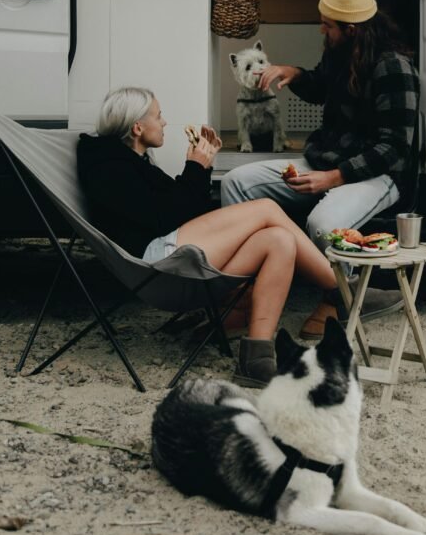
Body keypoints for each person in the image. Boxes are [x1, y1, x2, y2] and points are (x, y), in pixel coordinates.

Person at [76, 86, 344, 388]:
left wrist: (202, 168)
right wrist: (195, 168)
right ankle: (341, 290)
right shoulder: (109, 168)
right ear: (138, 127)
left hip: (175, 253)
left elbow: (183, 209)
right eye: (159, 116)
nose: (164, 122)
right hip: (159, 263)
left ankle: (255, 359)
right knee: (267, 208)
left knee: (279, 239)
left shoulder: (132, 162)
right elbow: (165, 218)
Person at [221, 0, 419, 335]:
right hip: (325, 160)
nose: (321, 30)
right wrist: (293, 73)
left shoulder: (394, 68)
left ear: (352, 29)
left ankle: (338, 299)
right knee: (236, 182)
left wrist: (335, 177)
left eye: (328, 25)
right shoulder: (340, 51)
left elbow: (394, 149)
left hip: (377, 175)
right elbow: (320, 88)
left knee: (322, 224)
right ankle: (243, 292)